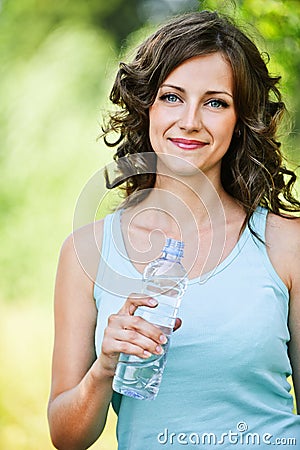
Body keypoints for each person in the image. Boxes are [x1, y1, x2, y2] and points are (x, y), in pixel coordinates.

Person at [47, 10, 300, 450]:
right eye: (172, 97)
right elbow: (66, 437)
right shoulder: (87, 252)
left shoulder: (287, 244)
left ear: (241, 120)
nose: (190, 121)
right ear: (146, 105)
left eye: (216, 102)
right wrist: (105, 367)